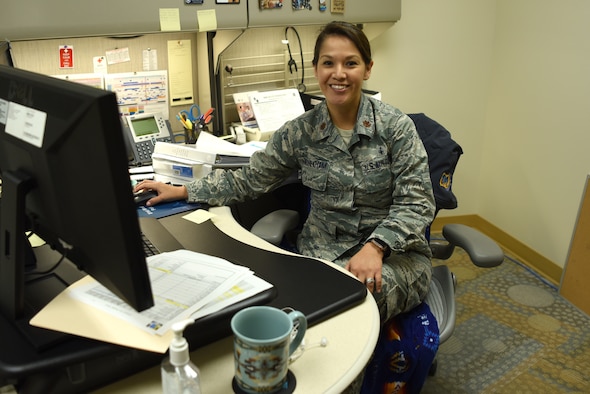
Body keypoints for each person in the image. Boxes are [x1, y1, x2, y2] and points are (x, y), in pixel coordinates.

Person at [134, 21, 435, 324]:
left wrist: (376, 246)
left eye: (351, 63)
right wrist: (185, 191)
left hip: (394, 257)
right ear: (316, 69)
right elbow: (251, 179)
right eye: (328, 63)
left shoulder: (396, 128)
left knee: (352, 304)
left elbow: (417, 203)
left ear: (367, 69)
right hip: (322, 256)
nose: (339, 73)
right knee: (278, 303)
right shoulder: (300, 132)